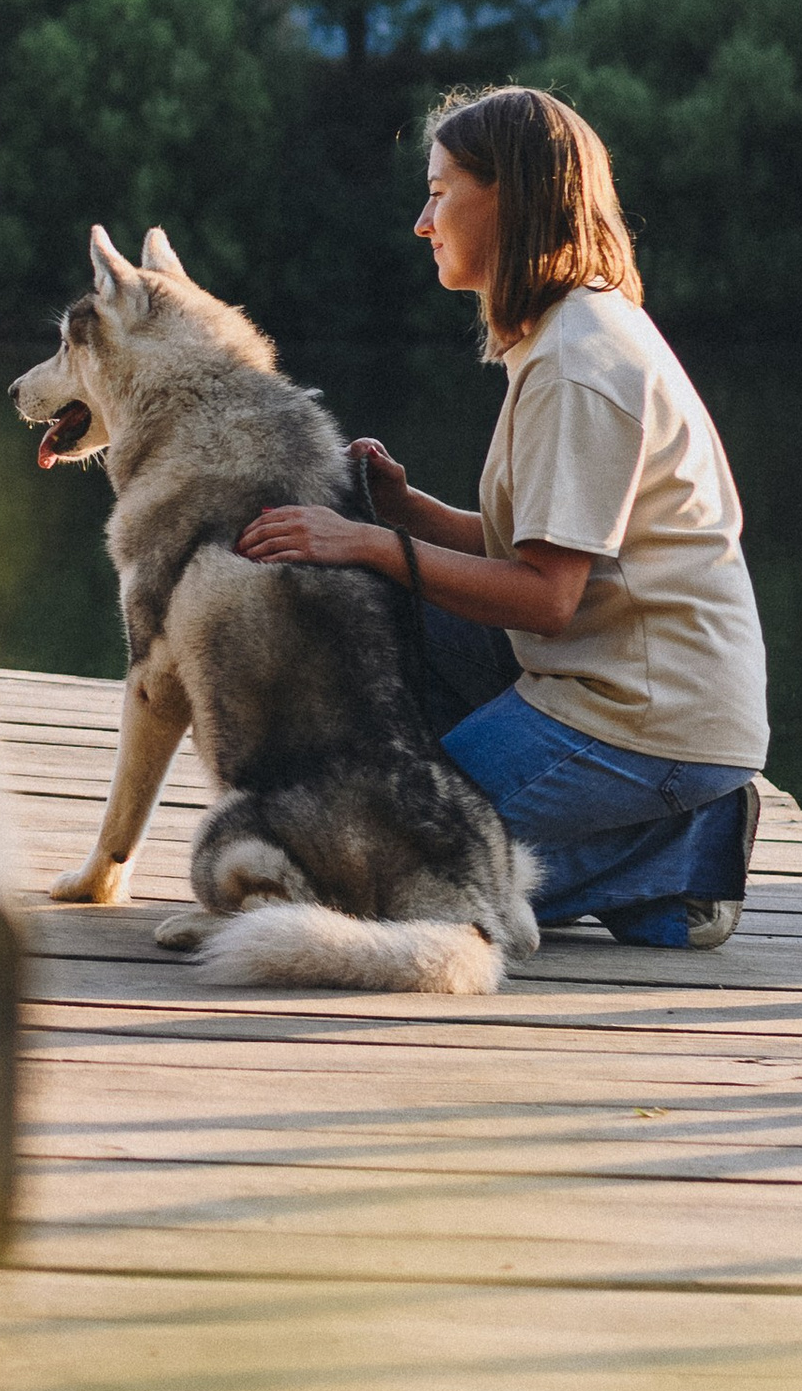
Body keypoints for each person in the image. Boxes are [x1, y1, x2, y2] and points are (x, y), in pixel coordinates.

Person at [234, 85, 768, 951]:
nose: (423, 222)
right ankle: (645, 851)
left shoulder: (577, 364)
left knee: (385, 876)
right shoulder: (568, 332)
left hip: (645, 712)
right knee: (384, 633)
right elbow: (544, 551)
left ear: (511, 199)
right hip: (604, 680)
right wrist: (409, 512)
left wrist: (371, 542)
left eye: (440, 192)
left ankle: (684, 844)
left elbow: (548, 597)